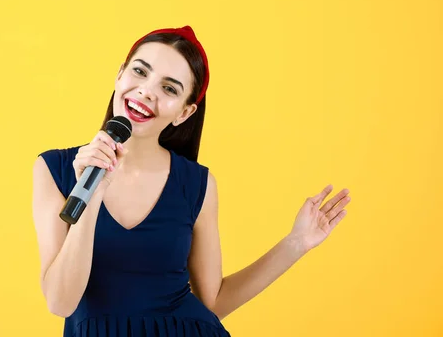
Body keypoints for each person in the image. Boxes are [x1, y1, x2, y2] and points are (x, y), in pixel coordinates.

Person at [32, 26, 352, 337]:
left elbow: (214, 301)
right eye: (140, 72)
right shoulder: (55, 169)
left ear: (184, 113)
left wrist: (296, 243)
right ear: (119, 74)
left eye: (169, 88)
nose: (147, 91)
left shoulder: (197, 184)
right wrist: (93, 193)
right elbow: (61, 302)